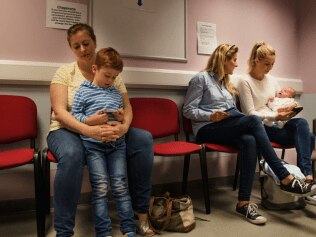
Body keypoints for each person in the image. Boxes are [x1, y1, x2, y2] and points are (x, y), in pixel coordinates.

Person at [183, 43, 316, 225]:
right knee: (253, 120)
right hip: (207, 129)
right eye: (234, 60)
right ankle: (284, 176)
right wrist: (210, 115)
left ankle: (243, 203)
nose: (237, 64)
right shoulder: (201, 79)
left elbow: (233, 112)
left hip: (227, 125)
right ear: (223, 59)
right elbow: (188, 110)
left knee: (249, 139)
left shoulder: (227, 85)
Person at [47, 23, 154, 237]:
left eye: (86, 43)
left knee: (143, 139)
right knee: (71, 154)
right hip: (66, 129)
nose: (82, 49)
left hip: (108, 130)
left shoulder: (112, 73)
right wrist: (89, 130)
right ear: (71, 49)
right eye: (76, 46)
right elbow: (59, 112)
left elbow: (127, 107)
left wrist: (123, 128)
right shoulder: (64, 73)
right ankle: (64, 231)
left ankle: (141, 215)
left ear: (95, 42)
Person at [238, 42, 316, 205]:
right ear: (255, 60)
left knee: (302, 124)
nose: (270, 68)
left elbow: (278, 102)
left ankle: (307, 178)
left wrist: (288, 108)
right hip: (261, 128)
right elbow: (250, 114)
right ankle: (305, 183)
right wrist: (275, 116)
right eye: (266, 64)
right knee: (309, 137)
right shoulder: (244, 81)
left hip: (276, 125)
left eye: (272, 64)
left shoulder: (272, 80)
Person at [72, 47, 136, 237]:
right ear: (94, 69)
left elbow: (122, 114)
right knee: (100, 188)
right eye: (107, 75)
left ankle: (128, 229)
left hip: (117, 145)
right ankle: (103, 232)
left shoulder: (115, 92)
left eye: (114, 78)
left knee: (120, 186)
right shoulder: (83, 91)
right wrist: (90, 121)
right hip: (94, 147)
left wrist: (120, 115)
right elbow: (76, 116)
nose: (110, 81)